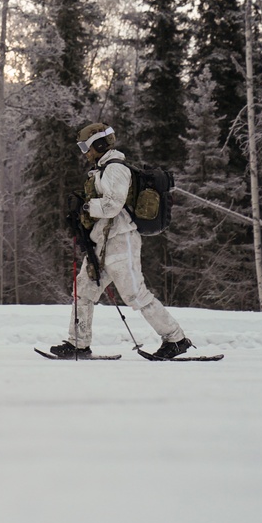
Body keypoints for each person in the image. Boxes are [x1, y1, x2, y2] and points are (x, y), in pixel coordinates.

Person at [50, 122, 194, 359]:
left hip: (121, 240)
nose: (84, 152)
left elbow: (112, 205)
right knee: (83, 290)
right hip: (102, 242)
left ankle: (176, 339)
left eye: (86, 146)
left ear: (99, 143)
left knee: (135, 294)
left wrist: (85, 206)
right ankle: (78, 343)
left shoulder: (116, 169)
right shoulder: (101, 169)